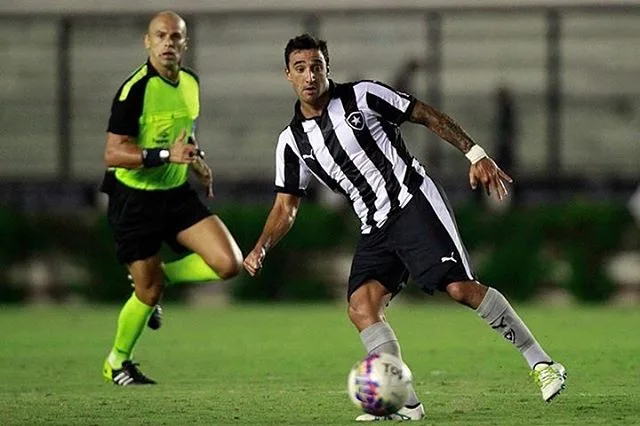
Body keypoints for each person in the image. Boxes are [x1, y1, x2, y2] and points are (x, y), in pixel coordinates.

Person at [243, 34, 567, 421]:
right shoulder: (291, 142)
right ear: (288, 76)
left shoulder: (363, 96)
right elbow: (286, 205)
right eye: (301, 68)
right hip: (373, 225)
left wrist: (475, 153)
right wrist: (261, 247)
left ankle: (542, 363)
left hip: (412, 203)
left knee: (460, 288)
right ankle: (406, 404)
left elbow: (426, 114)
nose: (310, 75)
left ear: (328, 68)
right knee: (362, 307)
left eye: (316, 66)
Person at [100, 10, 242, 386]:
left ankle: (160, 278)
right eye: (160, 36)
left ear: (185, 44)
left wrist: (197, 161)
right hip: (135, 199)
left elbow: (183, 134)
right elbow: (113, 154)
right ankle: (117, 361)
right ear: (148, 42)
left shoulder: (191, 83)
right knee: (146, 295)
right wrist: (165, 156)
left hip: (175, 193)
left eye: (175, 37)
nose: (168, 43)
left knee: (229, 263)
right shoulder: (135, 90)